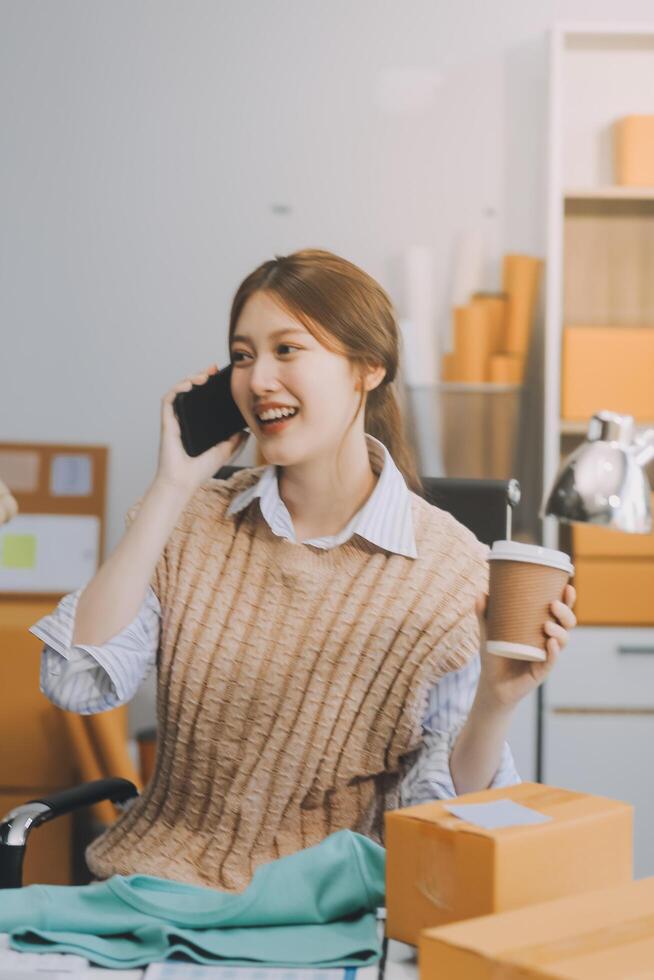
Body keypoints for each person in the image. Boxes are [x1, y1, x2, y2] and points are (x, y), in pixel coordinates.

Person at [30, 249, 576, 892]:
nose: (259, 379)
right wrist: (173, 486)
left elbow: (437, 815)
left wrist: (496, 702)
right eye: (242, 355)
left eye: (287, 350)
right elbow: (75, 680)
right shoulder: (190, 521)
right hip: (156, 890)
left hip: (328, 909)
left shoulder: (454, 571)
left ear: (367, 368)